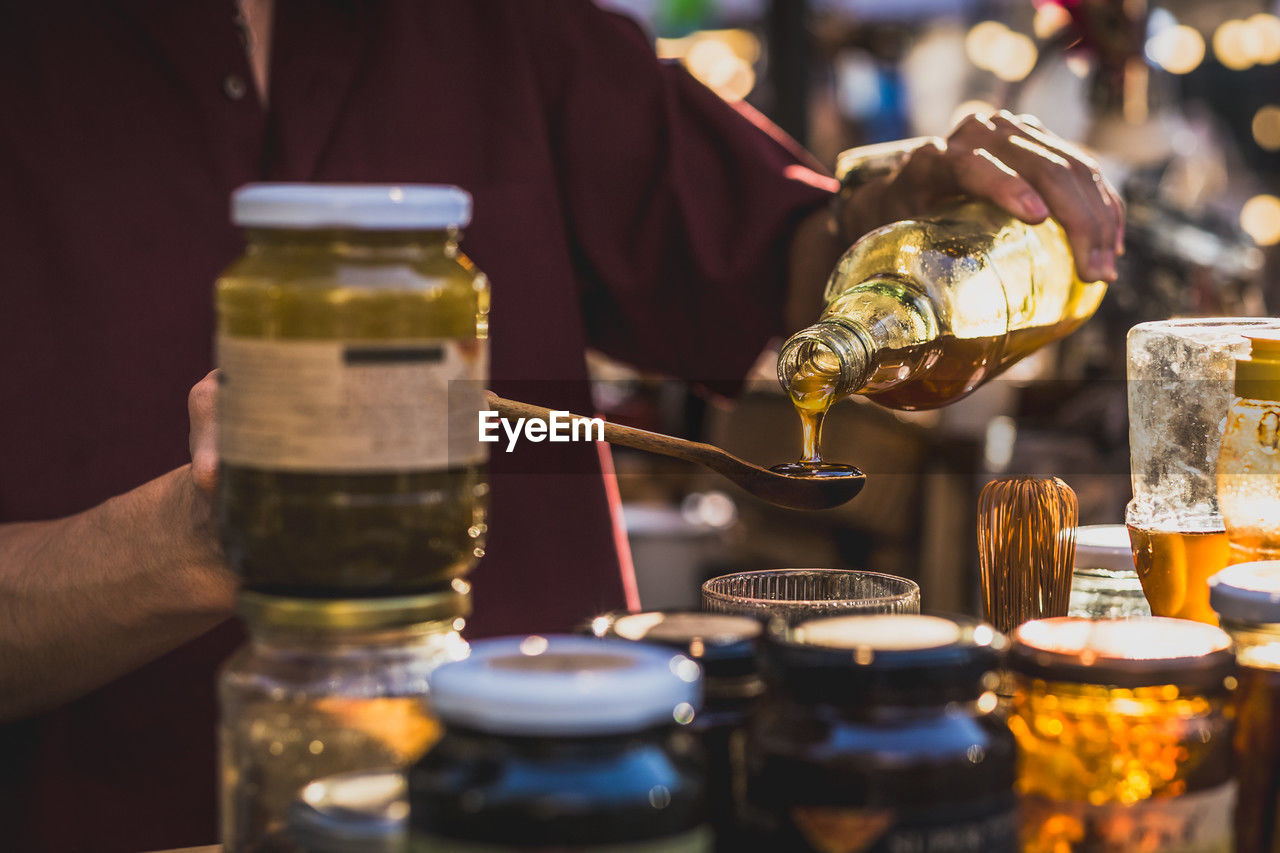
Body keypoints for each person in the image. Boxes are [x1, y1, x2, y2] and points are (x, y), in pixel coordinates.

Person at [0, 1, 1120, 849]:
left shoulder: (506, 28)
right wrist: (207, 533)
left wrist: (901, 208)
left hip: (576, 805)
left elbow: (785, 262)